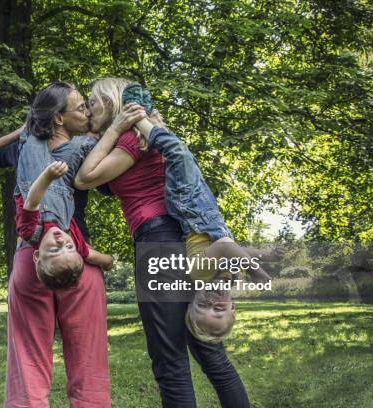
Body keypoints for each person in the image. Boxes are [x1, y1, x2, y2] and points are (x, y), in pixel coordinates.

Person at [75, 77, 251, 407]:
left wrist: (113, 128)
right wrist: (97, 134)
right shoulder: (138, 137)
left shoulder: (129, 138)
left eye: (93, 102)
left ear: (113, 104)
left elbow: (84, 178)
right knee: (210, 353)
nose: (87, 109)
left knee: (170, 361)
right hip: (180, 241)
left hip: (159, 242)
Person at [123, 82, 285, 343]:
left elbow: (222, 248)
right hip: (206, 210)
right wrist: (267, 255)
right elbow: (236, 249)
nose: (211, 302)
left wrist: (255, 269)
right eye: (218, 309)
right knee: (176, 154)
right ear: (232, 307)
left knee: (178, 154)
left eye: (202, 307)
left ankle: (136, 115)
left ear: (193, 302)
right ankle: (149, 114)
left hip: (190, 209)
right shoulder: (226, 278)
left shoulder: (199, 273)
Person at [0, 82, 114, 407]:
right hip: (77, 258)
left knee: (27, 360)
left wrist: (24, 129)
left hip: (32, 259)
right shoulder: (87, 150)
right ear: (58, 118)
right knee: (89, 362)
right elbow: (112, 186)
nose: (87, 112)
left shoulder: (30, 146)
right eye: (81, 107)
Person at [15, 159, 113, 289]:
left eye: (55, 250)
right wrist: (108, 261)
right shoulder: (72, 239)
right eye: (69, 247)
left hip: (33, 179)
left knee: (33, 141)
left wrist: (47, 176)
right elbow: (91, 255)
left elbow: (32, 202)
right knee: (82, 145)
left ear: (37, 255)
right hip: (60, 184)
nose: (62, 242)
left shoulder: (30, 232)